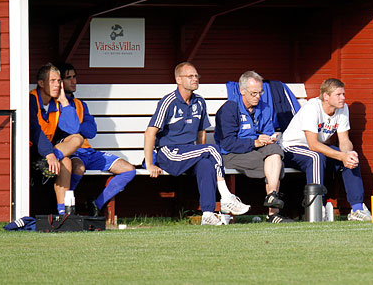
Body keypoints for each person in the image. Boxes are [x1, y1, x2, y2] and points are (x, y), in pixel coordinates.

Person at [143, 62, 249, 225]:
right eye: (190, 76)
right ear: (179, 79)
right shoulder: (169, 101)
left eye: (196, 76)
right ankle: (226, 196)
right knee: (212, 149)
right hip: (169, 153)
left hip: (189, 151)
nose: (195, 79)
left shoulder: (199, 102)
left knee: (206, 164)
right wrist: (150, 164)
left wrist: (201, 152)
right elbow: (150, 132)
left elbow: (201, 133)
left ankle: (207, 214)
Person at [281, 78, 372, 221]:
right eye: (338, 94)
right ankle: (318, 208)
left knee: (351, 157)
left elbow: (344, 140)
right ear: (326, 97)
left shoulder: (343, 109)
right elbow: (313, 145)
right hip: (291, 148)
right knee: (316, 157)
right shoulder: (312, 108)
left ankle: (357, 209)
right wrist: (341, 156)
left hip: (315, 148)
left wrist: (347, 154)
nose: (343, 98)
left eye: (343, 94)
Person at [57, 63, 137, 217]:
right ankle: (67, 209)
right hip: (72, 153)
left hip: (89, 152)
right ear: (59, 82)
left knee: (128, 170)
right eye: (68, 78)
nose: (73, 81)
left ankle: (96, 204)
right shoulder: (57, 105)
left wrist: (77, 126)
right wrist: (78, 126)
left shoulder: (81, 104)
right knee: (78, 168)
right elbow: (71, 130)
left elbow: (91, 131)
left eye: (74, 77)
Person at [215, 71, 293, 223]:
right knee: (275, 164)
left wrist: (271, 138)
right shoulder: (229, 109)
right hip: (232, 153)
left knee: (275, 151)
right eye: (253, 93)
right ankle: (273, 213)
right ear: (242, 91)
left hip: (257, 150)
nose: (258, 96)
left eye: (260, 92)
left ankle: (271, 197)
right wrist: (255, 142)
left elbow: (267, 131)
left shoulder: (264, 108)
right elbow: (228, 143)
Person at [29, 63, 84, 215]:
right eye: (52, 81)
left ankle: (63, 213)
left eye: (59, 81)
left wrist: (65, 102)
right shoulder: (31, 100)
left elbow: (73, 129)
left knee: (76, 140)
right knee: (65, 160)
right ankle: (51, 158)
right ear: (41, 83)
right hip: (32, 152)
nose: (57, 85)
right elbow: (34, 130)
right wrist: (49, 154)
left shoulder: (57, 103)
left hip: (50, 154)